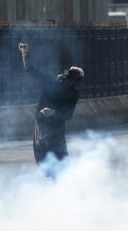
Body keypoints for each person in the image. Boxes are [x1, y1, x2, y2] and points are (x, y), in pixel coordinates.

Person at [18, 42, 83, 170]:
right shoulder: (51, 83)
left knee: (59, 158)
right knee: (42, 156)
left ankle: (61, 182)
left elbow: (68, 115)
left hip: (56, 127)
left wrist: (53, 112)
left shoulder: (72, 94)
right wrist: (25, 53)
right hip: (41, 123)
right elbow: (31, 70)